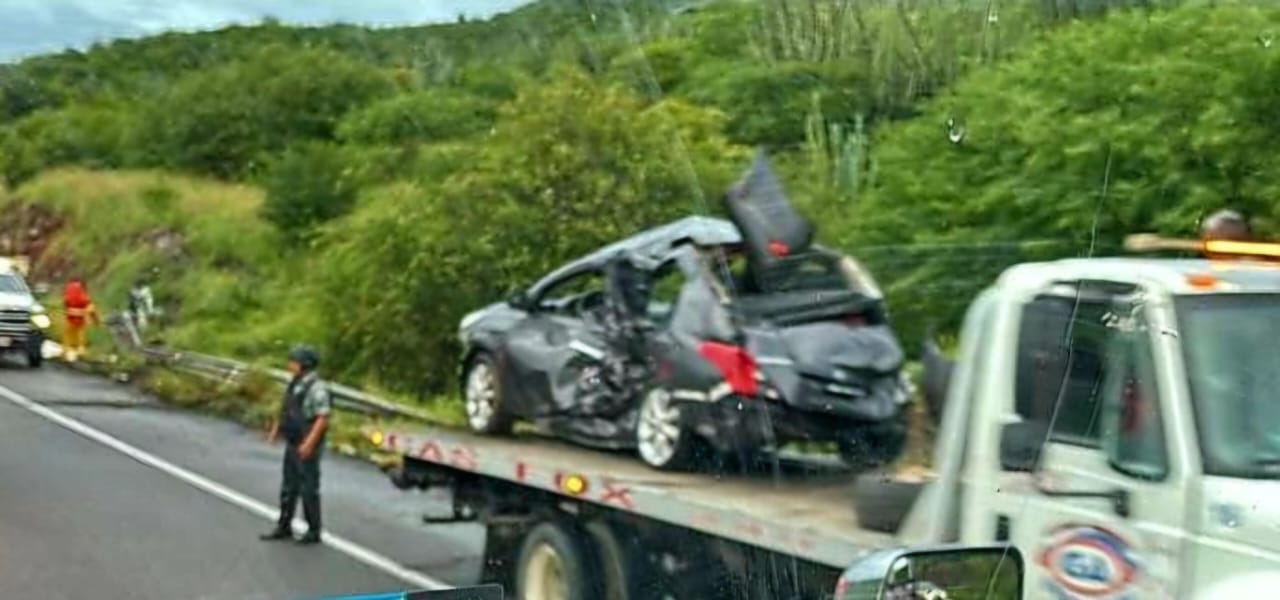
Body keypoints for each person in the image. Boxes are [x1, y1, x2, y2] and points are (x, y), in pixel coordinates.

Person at [260, 345, 331, 545]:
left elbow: (322, 418)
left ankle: (313, 530)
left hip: (307, 442)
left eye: (294, 361)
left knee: (308, 487)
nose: (290, 365)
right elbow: (286, 407)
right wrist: (276, 429)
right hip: (293, 441)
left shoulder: (316, 388)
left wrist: (309, 443)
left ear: (304, 365)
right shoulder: (294, 383)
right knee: (289, 486)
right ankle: (284, 525)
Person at [61, 277, 99, 362]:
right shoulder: (84, 296)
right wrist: (96, 321)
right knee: (80, 336)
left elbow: (65, 303)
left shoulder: (68, 292)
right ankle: (80, 352)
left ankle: (67, 352)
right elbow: (91, 309)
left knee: (68, 336)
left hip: (69, 319)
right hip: (80, 320)